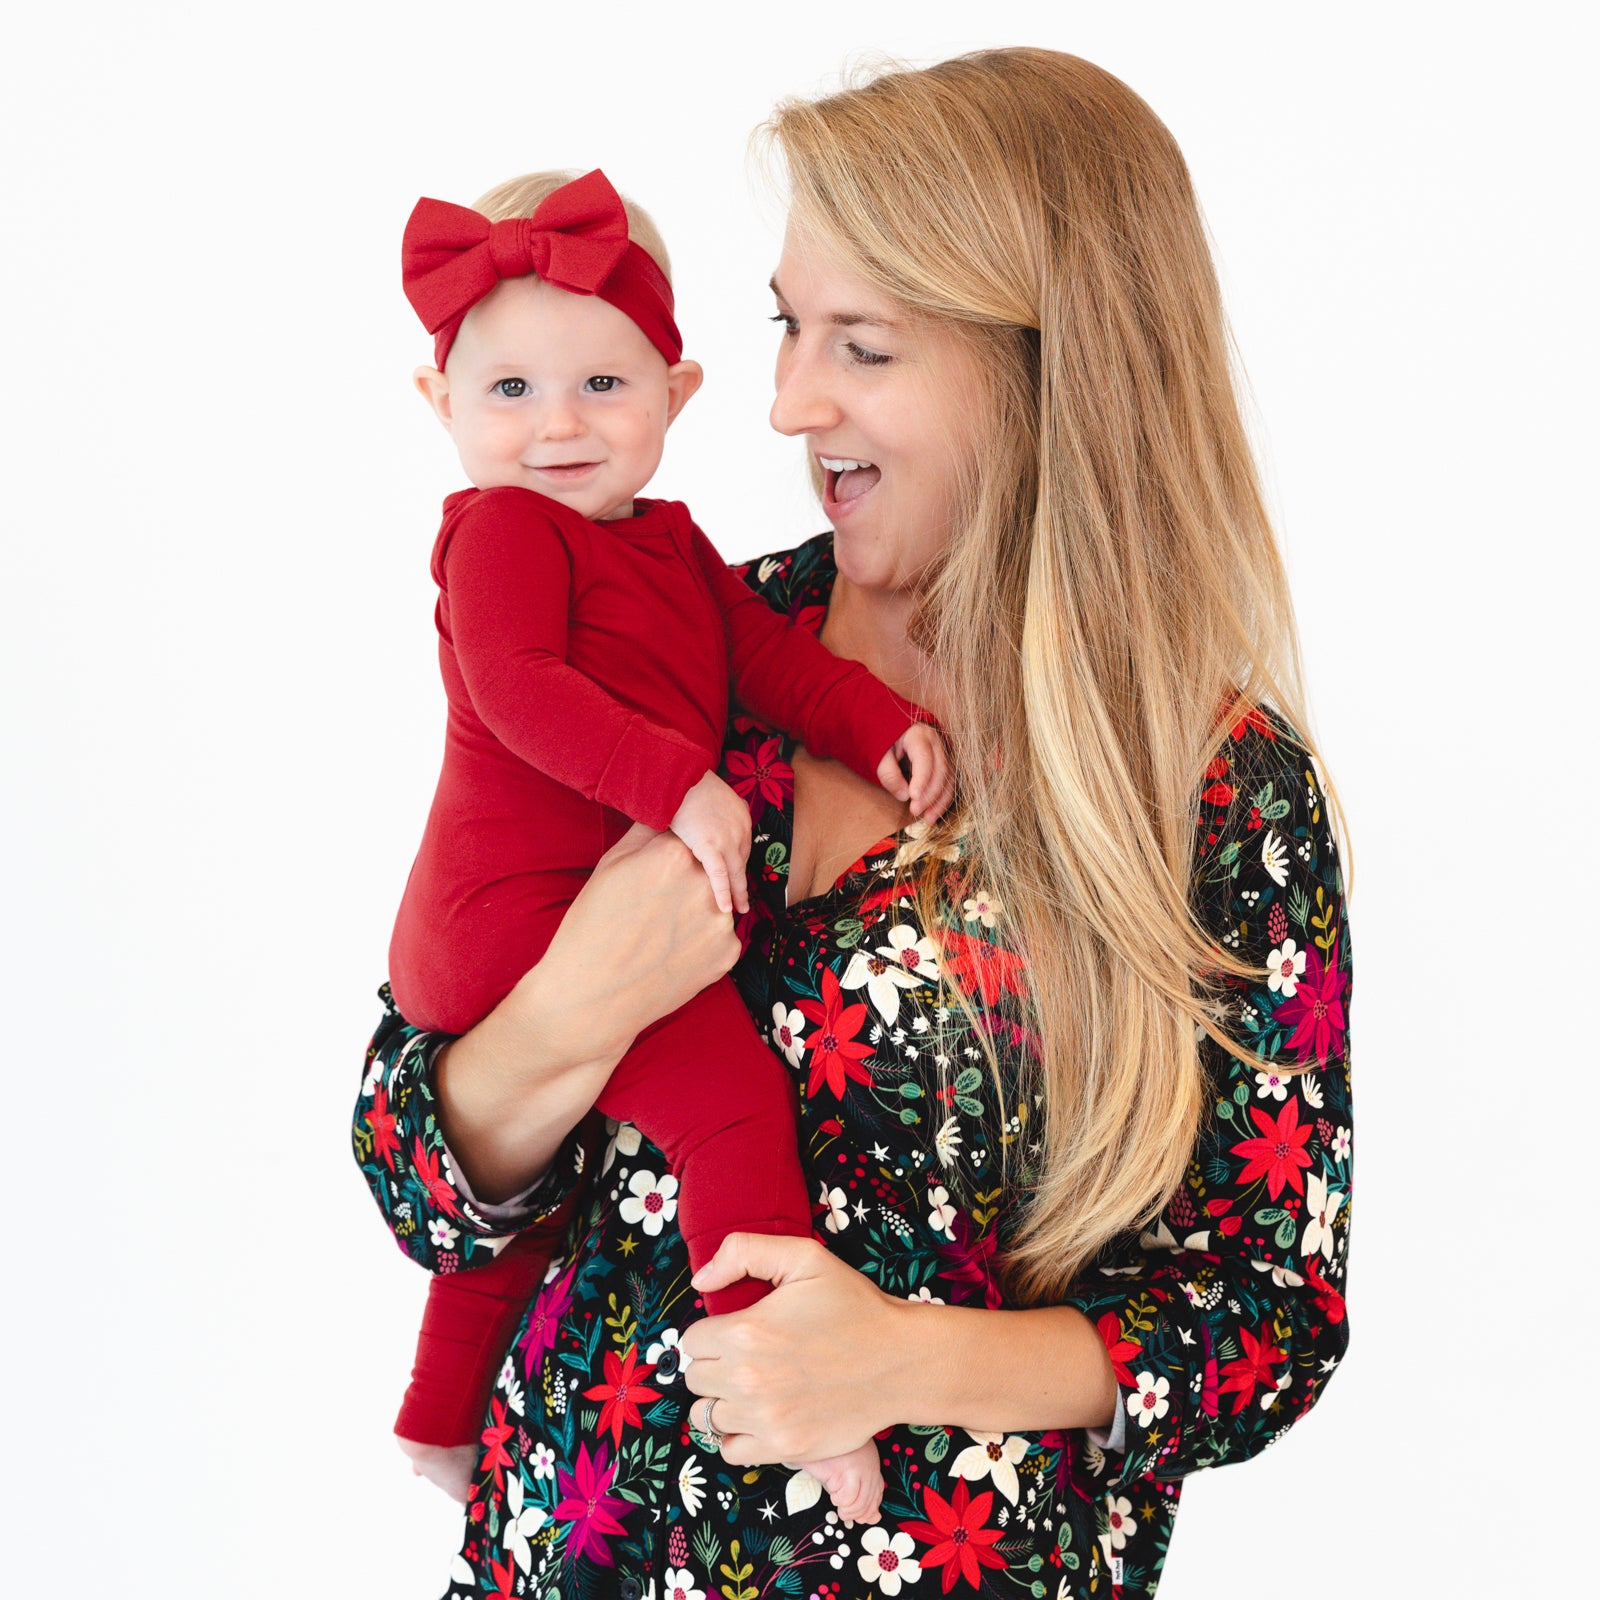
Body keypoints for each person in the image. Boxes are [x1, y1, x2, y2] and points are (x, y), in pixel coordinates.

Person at [353, 47, 1353, 1600]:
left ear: (1047, 367)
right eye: (785, 325)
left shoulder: (1215, 791)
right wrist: (570, 1010)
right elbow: (413, 1166)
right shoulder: (685, 649)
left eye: (861, 345)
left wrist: (903, 1361)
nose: (782, 403)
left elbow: (1265, 1321)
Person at [387, 166, 951, 1516]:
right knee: (731, 1105)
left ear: (677, 395)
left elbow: (768, 662)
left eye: (603, 387)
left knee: (574, 1140)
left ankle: (435, 1412)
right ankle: (788, 1381)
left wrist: (876, 726)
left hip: (563, 899)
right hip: (507, 913)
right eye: (508, 391)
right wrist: (677, 788)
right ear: (440, 406)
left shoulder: (676, 550)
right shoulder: (503, 538)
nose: (558, 428)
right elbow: (523, 689)